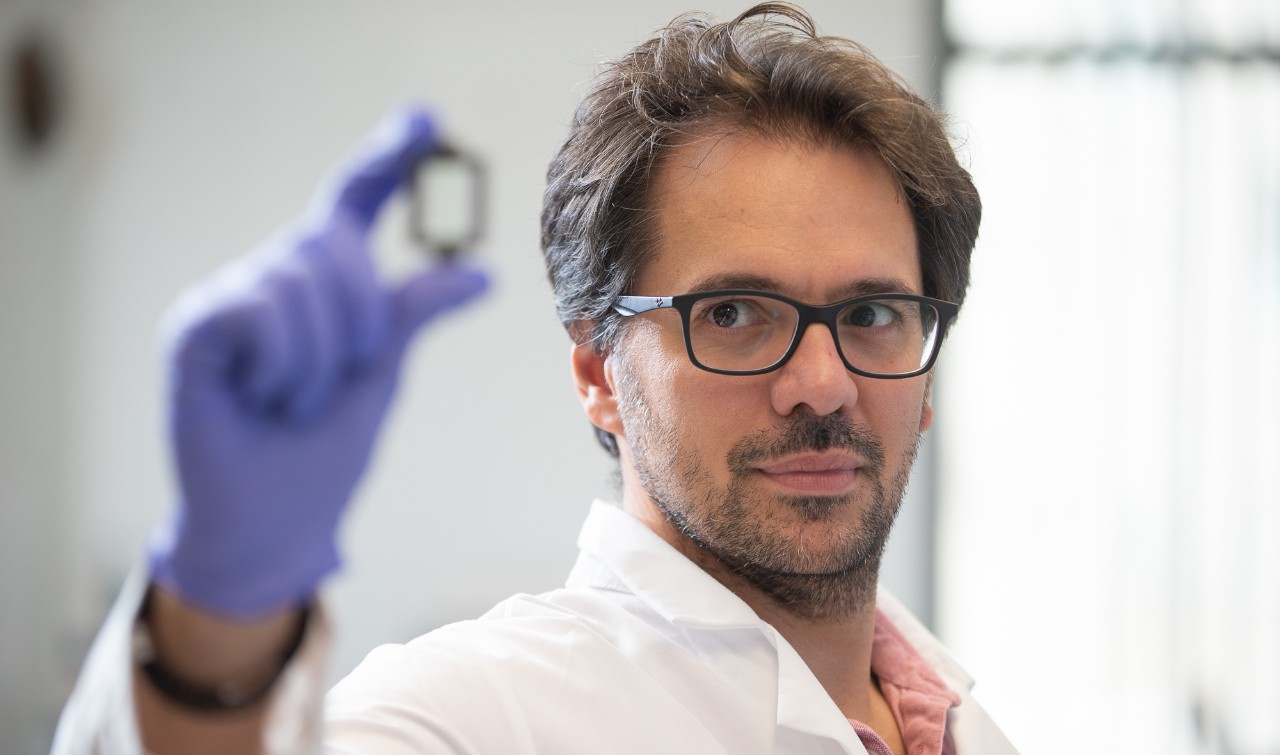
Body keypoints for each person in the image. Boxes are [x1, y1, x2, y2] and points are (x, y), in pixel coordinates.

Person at [54, 4, 1018, 753]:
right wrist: (217, 611)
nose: (822, 382)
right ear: (598, 369)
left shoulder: (952, 712)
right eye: (732, 313)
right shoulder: (474, 714)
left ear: (926, 378)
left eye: (873, 316)